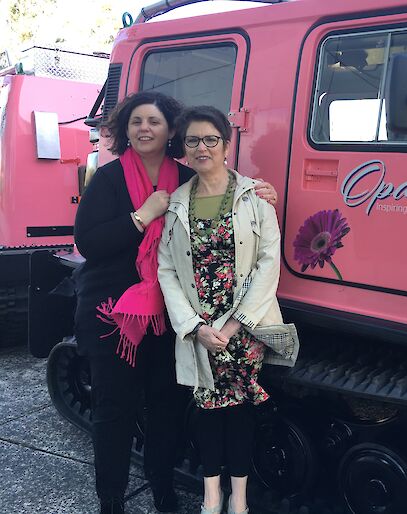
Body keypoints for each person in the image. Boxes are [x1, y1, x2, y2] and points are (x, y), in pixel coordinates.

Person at [74, 91, 278, 514]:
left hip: (170, 315)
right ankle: (110, 498)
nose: (144, 129)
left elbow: (224, 190)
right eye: (135, 122)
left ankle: (162, 487)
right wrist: (142, 214)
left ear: (171, 131)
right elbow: (89, 243)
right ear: (125, 131)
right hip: (114, 315)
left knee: (165, 406)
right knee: (114, 408)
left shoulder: (185, 180)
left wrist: (260, 192)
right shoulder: (110, 179)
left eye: (153, 121)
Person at [157, 105, 299, 514]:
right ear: (183, 149)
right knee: (206, 411)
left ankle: (238, 496)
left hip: (242, 324)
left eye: (211, 139)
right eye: (192, 141)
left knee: (237, 411)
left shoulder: (255, 198)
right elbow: (167, 268)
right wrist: (193, 326)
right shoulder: (177, 204)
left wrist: (236, 324)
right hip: (200, 326)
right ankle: (211, 493)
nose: (202, 148)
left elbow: (268, 264)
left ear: (226, 144)